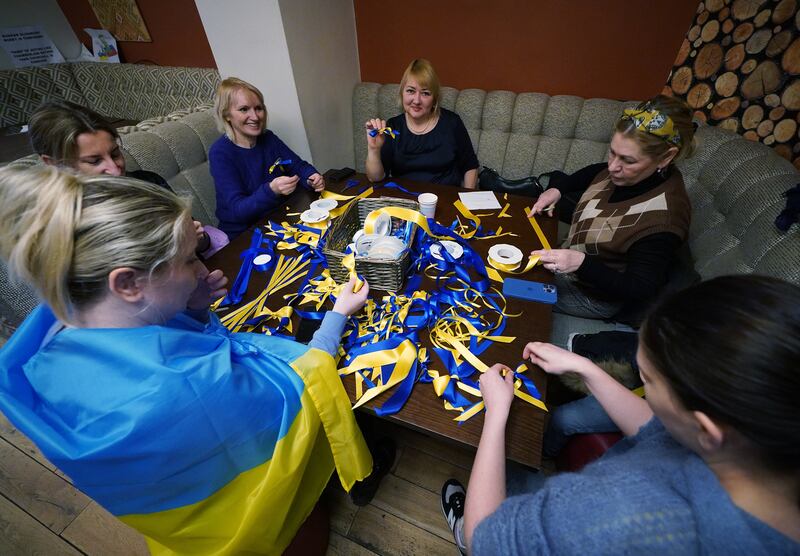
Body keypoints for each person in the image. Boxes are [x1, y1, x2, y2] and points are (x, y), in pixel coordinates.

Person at [0, 166, 374, 554]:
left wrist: (191, 310)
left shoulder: (55, 336)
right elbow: (305, 385)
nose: (202, 269)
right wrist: (338, 315)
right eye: (187, 260)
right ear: (127, 284)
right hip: (259, 527)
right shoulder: (186, 387)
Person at [441, 275, 800, 555]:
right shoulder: (758, 452)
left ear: (707, 429)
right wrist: (588, 370)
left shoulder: (627, 515)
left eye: (647, 379)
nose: (642, 384)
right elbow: (657, 430)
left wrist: (497, 415)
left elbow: (485, 541)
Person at [529, 95, 695, 321]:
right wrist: (558, 189)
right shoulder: (625, 174)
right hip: (569, 262)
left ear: (666, 157)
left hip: (593, 295)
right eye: (612, 152)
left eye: (627, 160)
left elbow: (639, 289)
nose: (613, 167)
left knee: (508, 288)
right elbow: (595, 172)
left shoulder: (664, 219)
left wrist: (581, 263)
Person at [28, 100, 224, 257]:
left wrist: (197, 239)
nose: (115, 169)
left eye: (115, 154)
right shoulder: (63, 226)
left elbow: (202, 245)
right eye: (94, 161)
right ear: (53, 163)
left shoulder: (150, 183)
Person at [209, 77, 325, 240]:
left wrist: (311, 178)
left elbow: (299, 166)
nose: (255, 117)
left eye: (258, 108)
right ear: (226, 115)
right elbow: (237, 210)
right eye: (244, 109)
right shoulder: (220, 152)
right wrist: (271, 190)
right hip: (244, 235)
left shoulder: (268, 138)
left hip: (277, 221)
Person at [365, 59, 479, 188]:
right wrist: (374, 149)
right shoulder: (393, 127)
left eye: (425, 93)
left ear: (434, 98)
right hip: (404, 202)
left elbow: (470, 166)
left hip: (446, 199)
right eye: (410, 91)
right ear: (402, 93)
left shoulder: (452, 123)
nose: (417, 100)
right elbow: (375, 177)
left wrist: (467, 198)